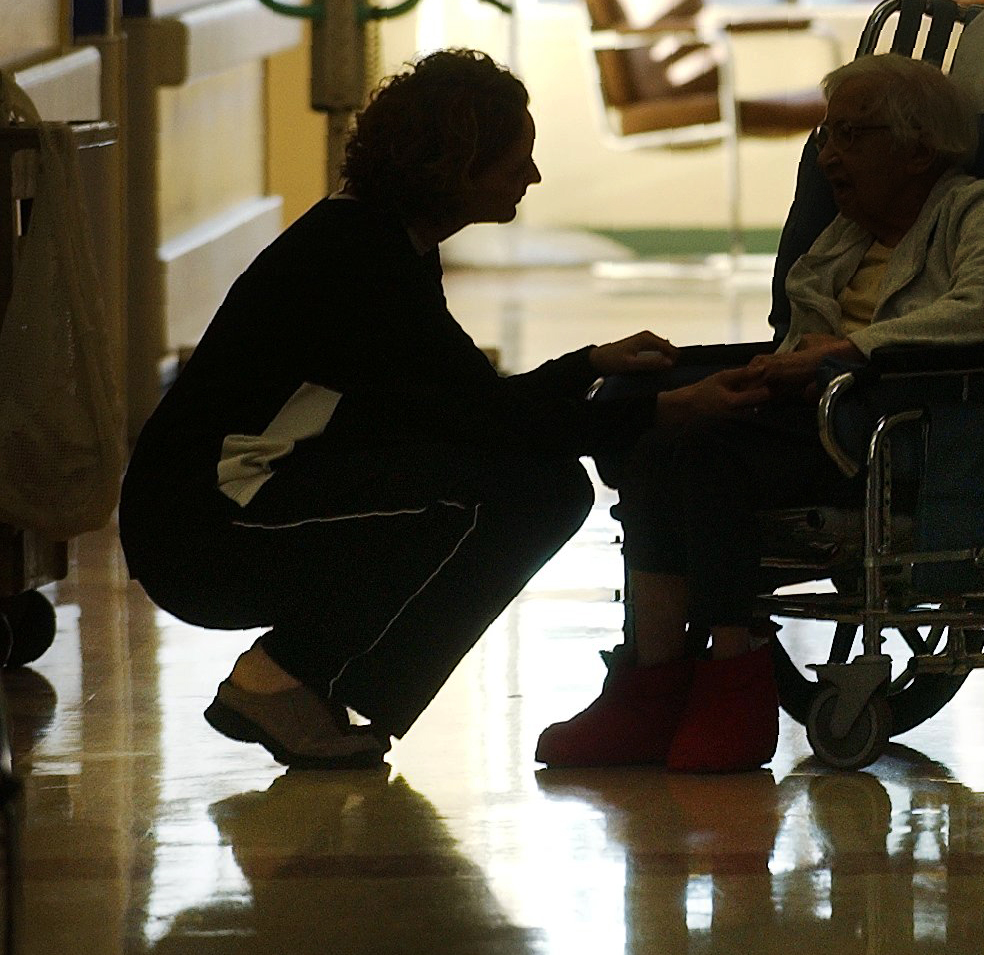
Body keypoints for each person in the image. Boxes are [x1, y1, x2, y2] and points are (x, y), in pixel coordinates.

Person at [118, 49, 767, 770]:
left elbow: (461, 404)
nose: (533, 175)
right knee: (520, 495)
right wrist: (662, 412)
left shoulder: (379, 238)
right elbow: (487, 419)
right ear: (455, 166)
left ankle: (305, 683)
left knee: (538, 487)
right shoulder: (362, 261)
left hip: (233, 506)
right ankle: (283, 678)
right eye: (516, 157)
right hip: (208, 529)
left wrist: (584, 368)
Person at [535, 52, 984, 773]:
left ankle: (734, 677)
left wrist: (849, 350)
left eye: (851, 136)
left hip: (903, 432)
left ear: (919, 148)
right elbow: (804, 339)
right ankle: (649, 686)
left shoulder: (976, 208)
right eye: (825, 137)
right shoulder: (846, 232)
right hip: (818, 412)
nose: (829, 156)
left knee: (709, 456)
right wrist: (775, 368)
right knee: (658, 440)